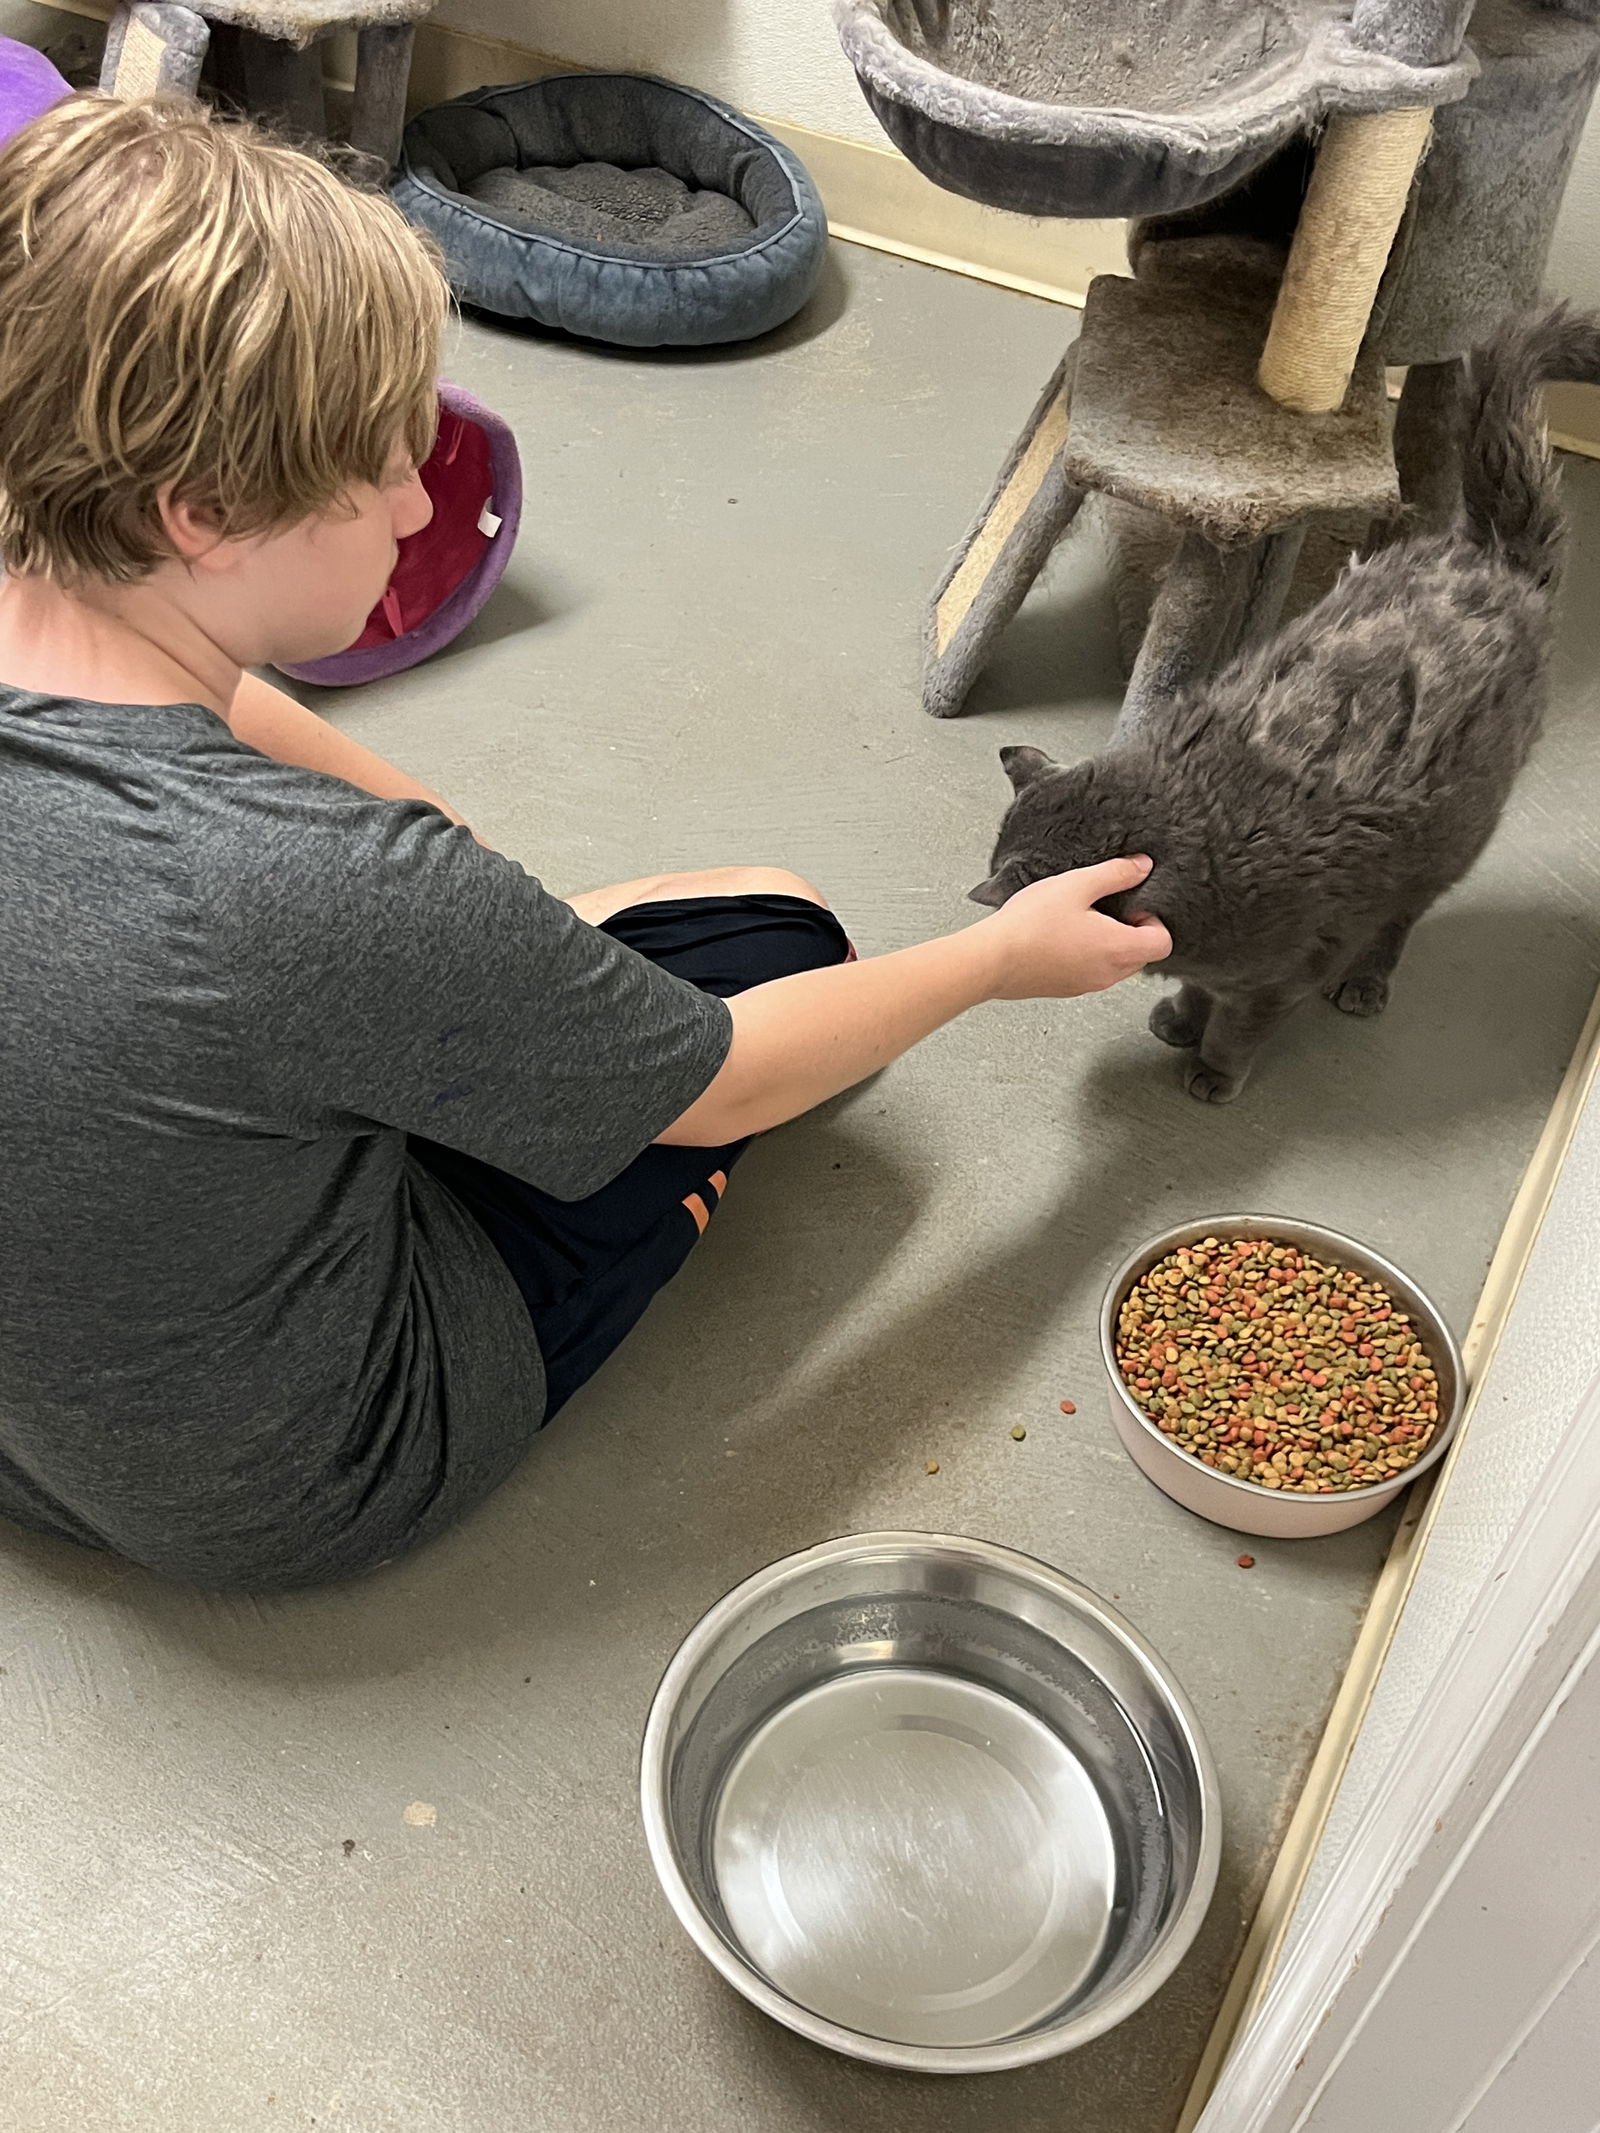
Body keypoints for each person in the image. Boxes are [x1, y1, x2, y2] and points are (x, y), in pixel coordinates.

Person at [0, 95, 1170, 1592]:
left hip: (38, 1433)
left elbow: (216, 702)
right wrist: (998, 958)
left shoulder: (65, 535)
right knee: (784, 934)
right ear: (209, 512)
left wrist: (405, 815)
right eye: (385, 464)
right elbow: (734, 1070)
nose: (425, 497)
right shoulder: (309, 896)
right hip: (289, 1477)